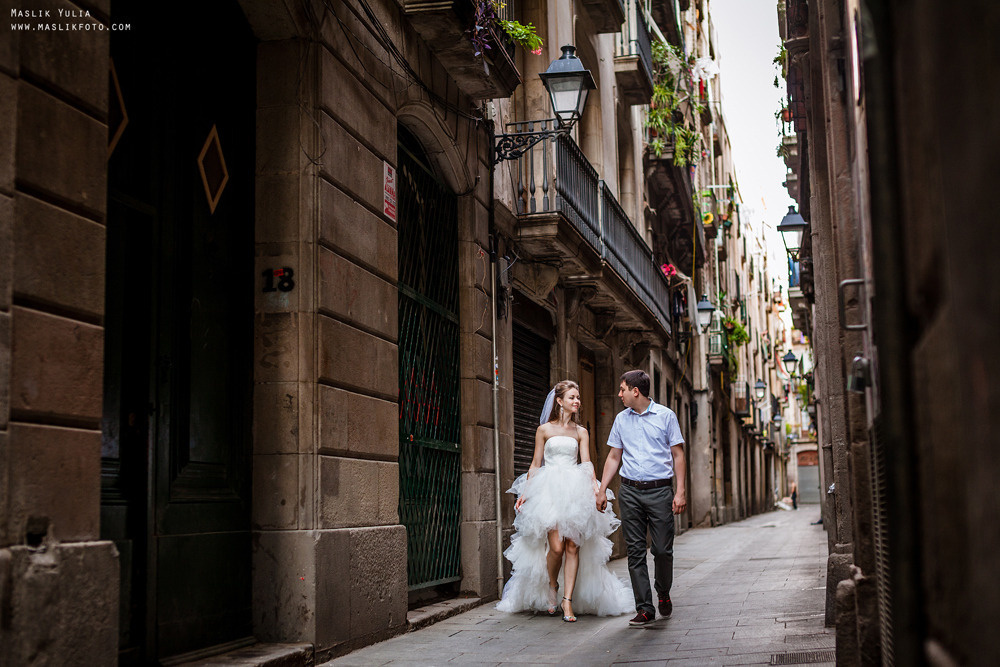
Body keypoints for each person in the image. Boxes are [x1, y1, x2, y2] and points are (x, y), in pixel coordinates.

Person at [497, 380, 632, 621]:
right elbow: (536, 464)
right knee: (556, 547)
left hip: (574, 489)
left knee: (572, 545)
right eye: (572, 397)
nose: (577, 401)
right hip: (548, 490)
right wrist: (526, 492)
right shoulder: (544, 430)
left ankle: (567, 602)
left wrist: (595, 486)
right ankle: (552, 586)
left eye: (578, 397)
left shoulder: (581, 432)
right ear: (559, 401)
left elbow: (586, 462)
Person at [597, 370, 687, 627]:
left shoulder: (666, 416)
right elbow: (614, 456)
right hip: (630, 492)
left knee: (661, 549)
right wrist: (602, 489)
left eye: (622, 389)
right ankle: (645, 608)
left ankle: (663, 592)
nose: (619, 394)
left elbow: (678, 454)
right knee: (635, 551)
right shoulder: (621, 420)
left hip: (660, 491)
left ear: (635, 391)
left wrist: (680, 491)